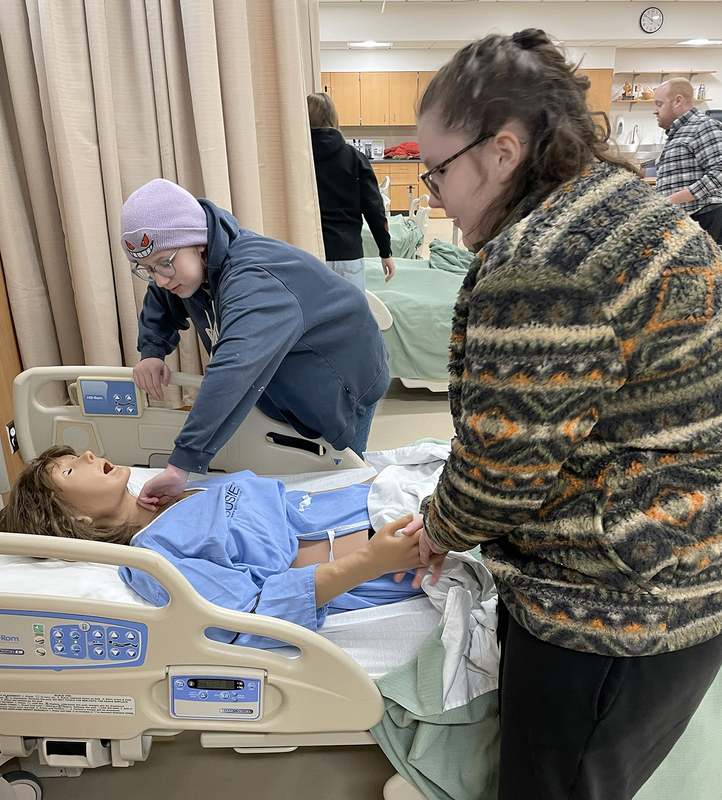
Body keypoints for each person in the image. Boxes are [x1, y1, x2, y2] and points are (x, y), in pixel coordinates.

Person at [400, 28, 722, 800]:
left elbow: (500, 469)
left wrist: (438, 526)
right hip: (681, 565)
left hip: (610, 609)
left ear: (502, 152)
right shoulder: (624, 207)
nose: (431, 193)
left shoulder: (543, 260)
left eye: (438, 171)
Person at [121, 178, 390, 511]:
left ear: (198, 242)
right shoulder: (188, 269)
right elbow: (159, 299)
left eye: (165, 262)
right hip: (287, 376)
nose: (161, 279)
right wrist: (152, 351)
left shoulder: (254, 278)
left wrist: (181, 464)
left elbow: (233, 371)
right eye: (148, 269)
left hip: (344, 375)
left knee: (339, 483)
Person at [0, 446, 433, 648]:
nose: (88, 455)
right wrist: (372, 561)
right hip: (387, 553)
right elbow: (252, 614)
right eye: (70, 470)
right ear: (75, 521)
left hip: (377, 499)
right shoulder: (151, 560)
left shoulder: (178, 494)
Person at [307, 92, 395, 291]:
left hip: (309, 252)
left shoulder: (297, 159)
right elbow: (374, 208)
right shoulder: (354, 158)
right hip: (348, 253)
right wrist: (385, 252)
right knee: (351, 310)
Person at [653, 78, 722, 243]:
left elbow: (719, 172)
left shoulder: (703, 126)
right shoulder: (679, 133)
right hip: (689, 219)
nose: (655, 111)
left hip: (704, 217)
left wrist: (671, 200)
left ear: (678, 101)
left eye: (659, 104)